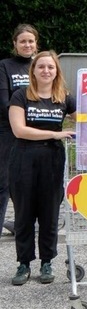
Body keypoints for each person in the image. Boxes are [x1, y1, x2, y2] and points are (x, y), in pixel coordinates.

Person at [8, 51, 75, 285]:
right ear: (33, 71)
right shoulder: (20, 95)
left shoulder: (64, 97)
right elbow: (19, 130)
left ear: (57, 71)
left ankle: (47, 261)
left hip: (53, 159)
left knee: (49, 213)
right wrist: (56, 134)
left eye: (51, 67)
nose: (46, 71)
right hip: (23, 157)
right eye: (41, 67)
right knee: (24, 213)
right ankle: (23, 264)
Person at [0, 24, 38, 235]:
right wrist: (21, 122)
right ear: (14, 44)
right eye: (22, 41)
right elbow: (3, 102)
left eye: (30, 41)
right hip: (9, 131)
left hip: (37, 131)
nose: (27, 44)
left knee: (30, 181)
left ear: (36, 44)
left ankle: (25, 225)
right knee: (4, 183)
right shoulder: (5, 66)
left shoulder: (41, 65)